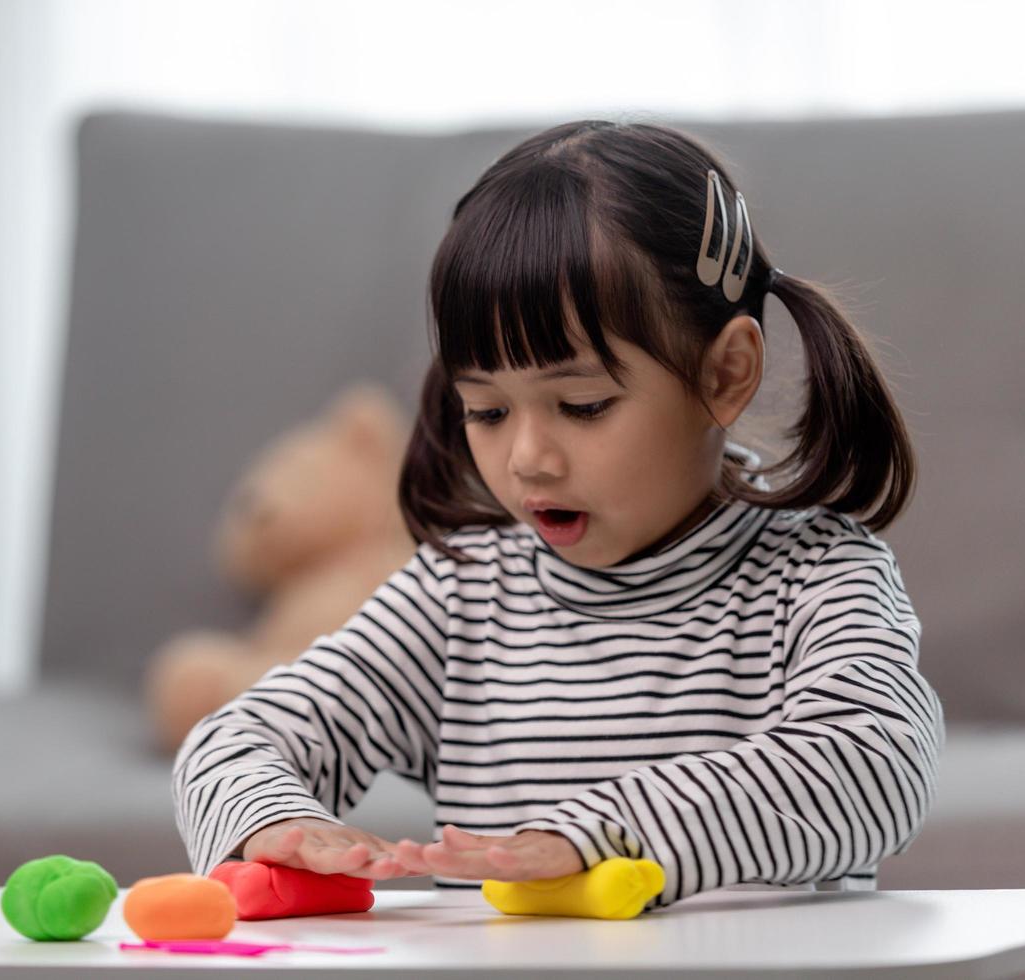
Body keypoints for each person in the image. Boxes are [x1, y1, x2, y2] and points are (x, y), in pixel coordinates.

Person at [171, 119, 945, 910]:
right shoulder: (459, 597)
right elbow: (235, 740)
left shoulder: (820, 578)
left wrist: (599, 833)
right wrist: (280, 823)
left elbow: (874, 762)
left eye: (581, 405)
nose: (528, 460)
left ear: (727, 373)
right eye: (487, 410)